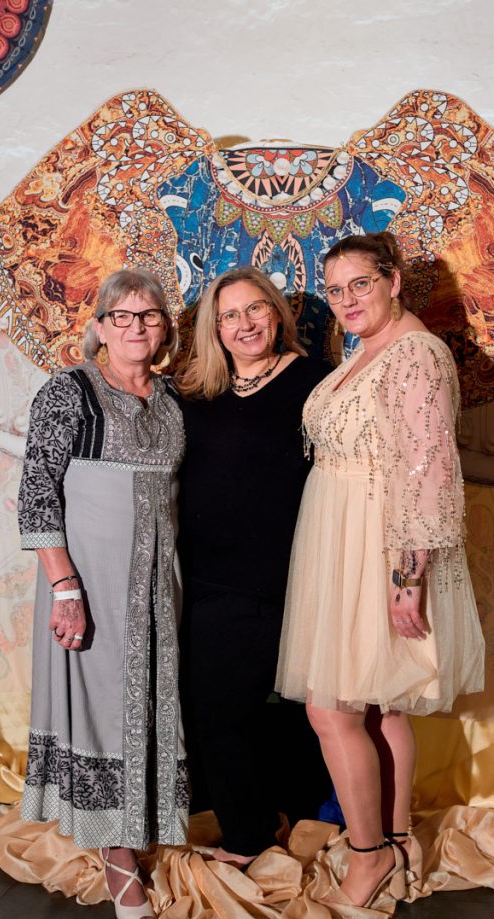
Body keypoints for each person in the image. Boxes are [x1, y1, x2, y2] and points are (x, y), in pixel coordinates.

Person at [276, 232, 485, 907]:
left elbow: (429, 472)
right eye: (335, 290)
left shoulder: (415, 354)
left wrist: (407, 579)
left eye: (359, 285)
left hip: (377, 545)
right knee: (377, 704)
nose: (345, 301)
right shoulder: (367, 351)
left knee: (333, 706)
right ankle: (396, 844)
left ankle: (367, 858)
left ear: (393, 282)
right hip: (341, 539)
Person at [18, 267, 188, 919]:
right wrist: (65, 587)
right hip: (89, 580)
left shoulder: (172, 399)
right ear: (99, 328)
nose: (136, 327)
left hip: (159, 584)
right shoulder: (69, 391)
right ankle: (117, 854)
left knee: (148, 703)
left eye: (149, 316)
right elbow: (38, 490)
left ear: (164, 328)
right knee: (103, 706)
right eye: (122, 316)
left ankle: (143, 825)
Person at [174, 266, 330, 867]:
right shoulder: (195, 390)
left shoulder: (316, 382)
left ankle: (250, 840)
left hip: (270, 577)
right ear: (215, 328)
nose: (245, 324)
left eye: (256, 308)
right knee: (209, 708)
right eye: (230, 315)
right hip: (200, 576)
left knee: (232, 710)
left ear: (277, 313)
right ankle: (255, 821)